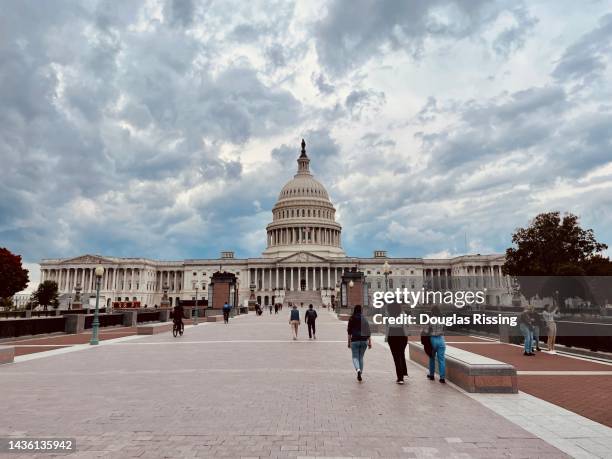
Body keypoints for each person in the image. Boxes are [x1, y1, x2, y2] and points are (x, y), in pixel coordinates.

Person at [347, 305, 371, 382]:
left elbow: (349, 332)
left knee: (355, 357)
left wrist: (348, 342)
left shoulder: (351, 318)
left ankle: (357, 370)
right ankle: (360, 372)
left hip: (355, 340)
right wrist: (370, 342)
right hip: (364, 340)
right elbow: (368, 331)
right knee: (361, 357)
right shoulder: (364, 318)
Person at [387, 303, 408, 384]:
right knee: (401, 354)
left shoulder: (389, 314)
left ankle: (400, 377)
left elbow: (387, 326)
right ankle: (402, 374)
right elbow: (405, 325)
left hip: (392, 334)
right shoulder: (403, 314)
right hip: (401, 334)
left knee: (396, 357)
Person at [426, 306, 446, 384]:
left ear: (432, 312)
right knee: (441, 359)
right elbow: (444, 330)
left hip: (432, 340)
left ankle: (431, 375)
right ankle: (442, 378)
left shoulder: (431, 320)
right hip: (441, 340)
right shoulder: (442, 320)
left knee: (432, 358)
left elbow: (427, 330)